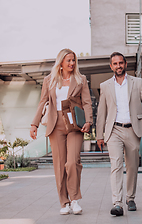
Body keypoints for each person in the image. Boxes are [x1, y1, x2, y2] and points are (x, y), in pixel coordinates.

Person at [30, 48, 93, 215]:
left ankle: (74, 200)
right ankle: (64, 202)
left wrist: (88, 121)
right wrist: (34, 124)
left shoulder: (81, 79)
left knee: (72, 162)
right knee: (59, 165)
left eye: (73, 60)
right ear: (61, 63)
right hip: (55, 123)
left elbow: (87, 102)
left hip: (74, 124)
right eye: (69, 60)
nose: (72, 63)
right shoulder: (49, 80)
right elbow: (42, 102)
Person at [96, 52, 142, 217]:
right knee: (116, 165)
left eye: (120, 63)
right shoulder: (105, 86)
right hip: (114, 130)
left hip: (133, 129)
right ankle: (117, 203)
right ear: (111, 66)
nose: (118, 66)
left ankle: (130, 198)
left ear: (125, 64)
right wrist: (99, 135)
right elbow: (101, 112)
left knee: (131, 167)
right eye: (115, 64)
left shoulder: (136, 82)